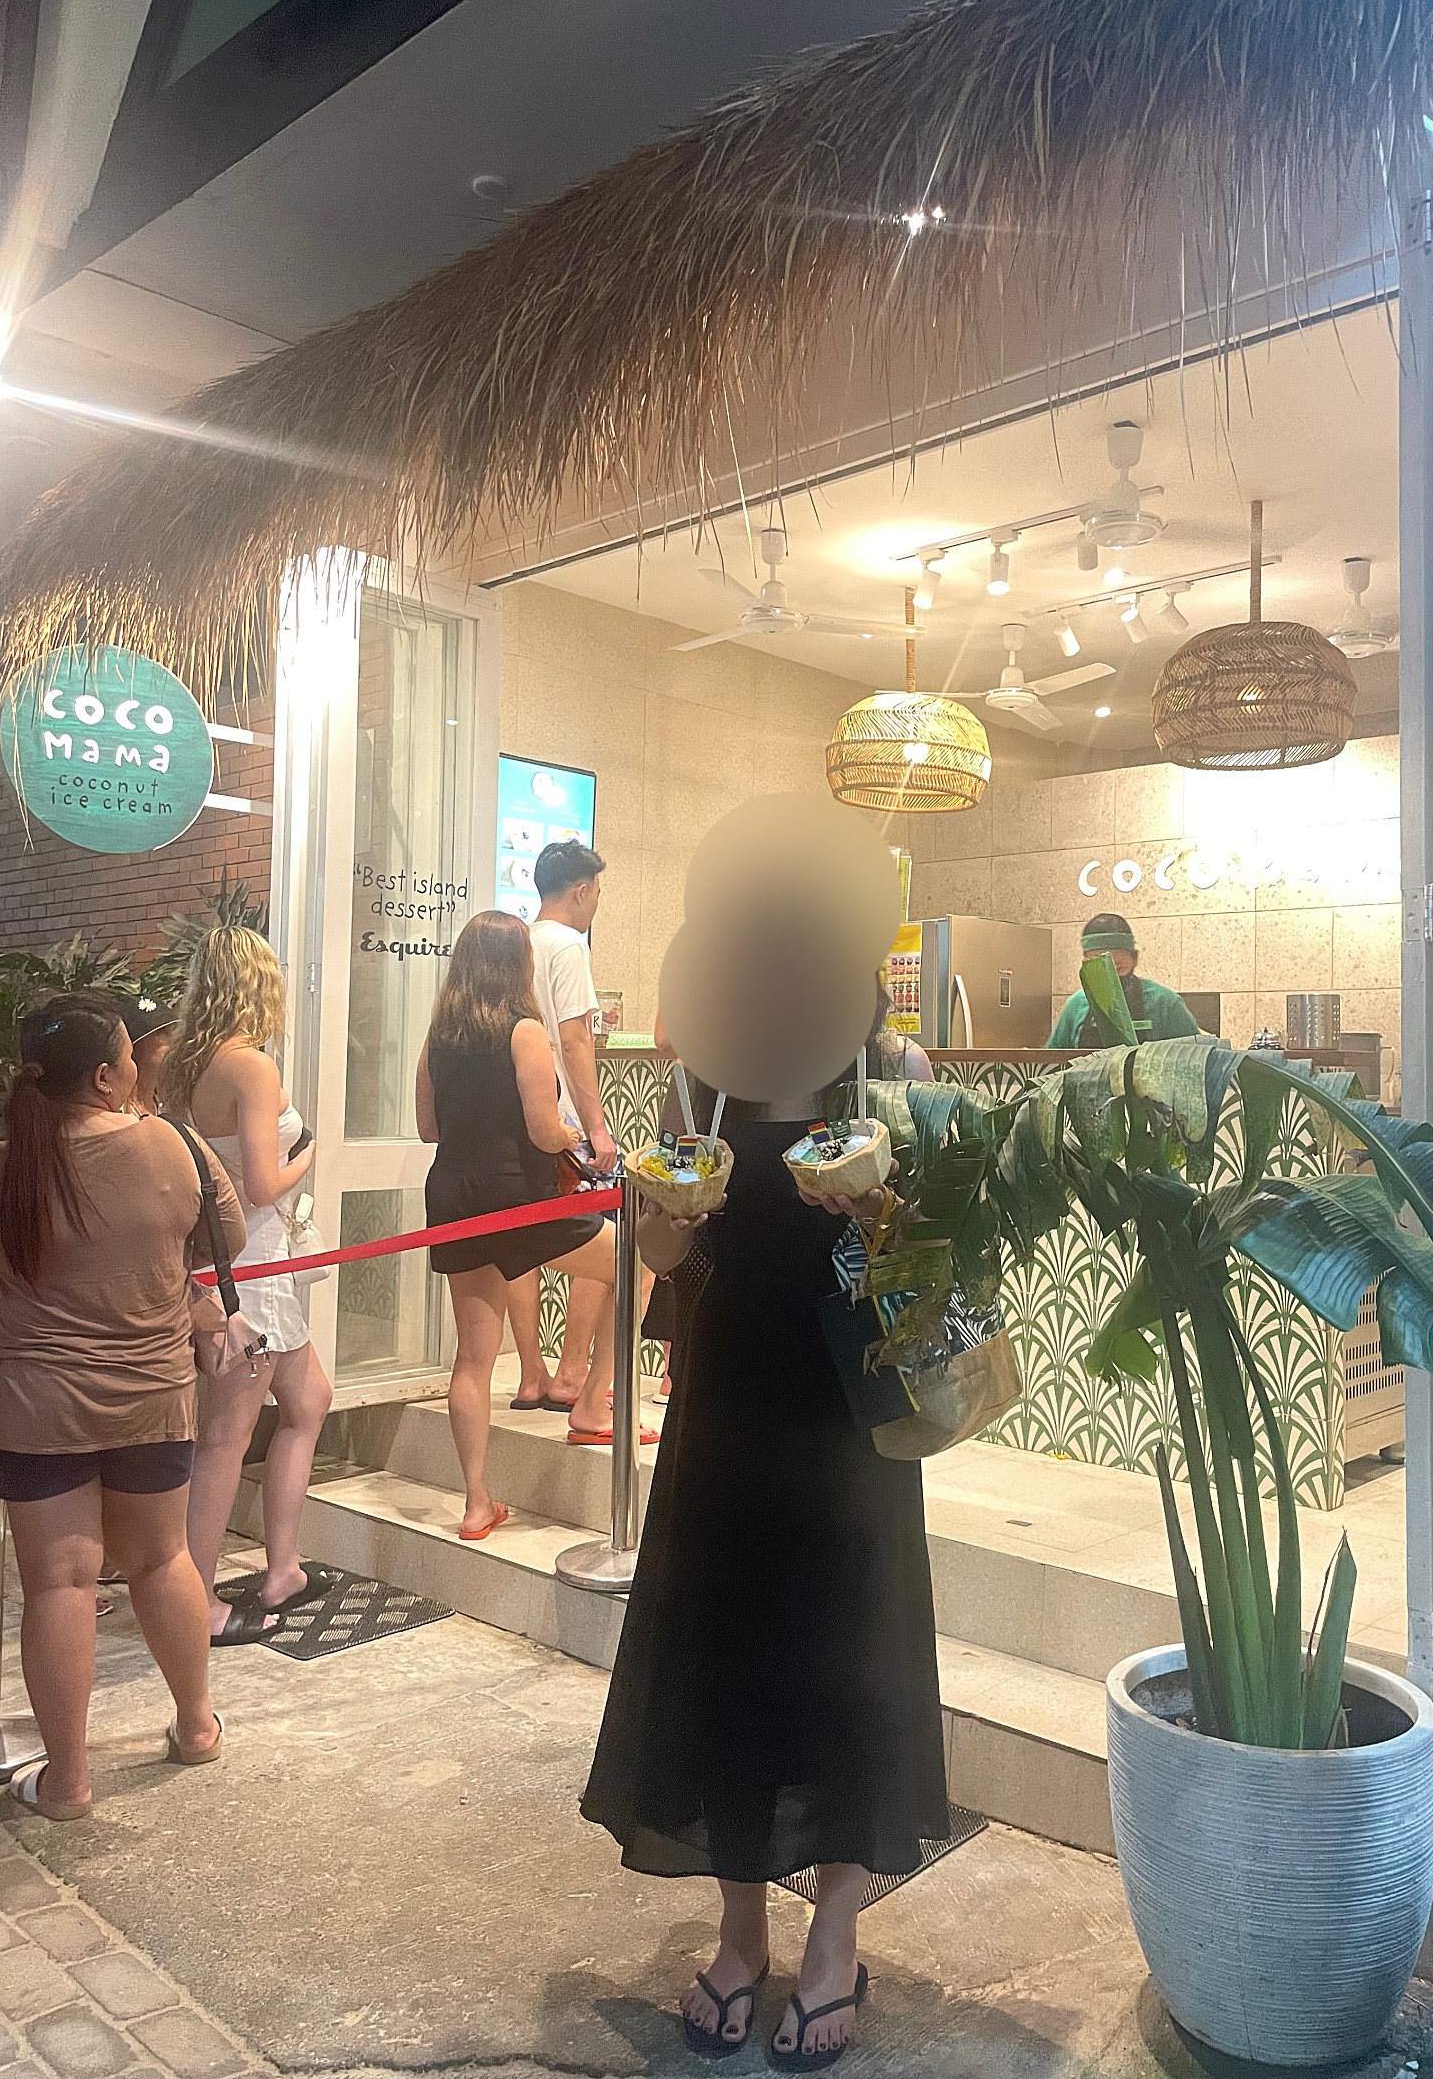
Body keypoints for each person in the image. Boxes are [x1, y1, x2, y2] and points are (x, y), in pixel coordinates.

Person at [580, 1020, 948, 2071]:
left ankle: (835, 1938)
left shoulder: (894, 1073)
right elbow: (663, 1259)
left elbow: (936, 1257)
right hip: (726, 1418)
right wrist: (669, 1223)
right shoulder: (700, 1085)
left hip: (853, 1425)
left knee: (849, 1668)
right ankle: (741, 1932)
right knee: (727, 1664)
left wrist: (875, 1206)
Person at [0, 997, 240, 1816]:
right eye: (129, 1054)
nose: (137, 1065)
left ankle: (67, 1780)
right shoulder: (170, 1145)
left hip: (34, 1405)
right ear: (104, 1077)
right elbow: (226, 1237)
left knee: (59, 1583)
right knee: (163, 1559)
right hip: (149, 1395)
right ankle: (196, 1725)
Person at [416, 911, 630, 1534]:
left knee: (472, 1360)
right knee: (636, 1262)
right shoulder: (525, 1030)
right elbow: (542, 1131)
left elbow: (428, 1129)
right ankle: (591, 1401)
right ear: (520, 966)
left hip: (454, 1195)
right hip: (519, 1197)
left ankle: (476, 1501)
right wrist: (575, 1138)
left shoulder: (439, 1038)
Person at [158, 927, 334, 1645]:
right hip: (250, 1273)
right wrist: (310, 1153)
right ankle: (196, 1600)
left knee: (309, 1399)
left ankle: (281, 1568)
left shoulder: (183, 1064)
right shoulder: (251, 1068)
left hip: (227, 1264)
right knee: (225, 1438)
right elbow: (261, 1184)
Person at [506, 841, 615, 1425]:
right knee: (604, 1235)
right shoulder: (570, 944)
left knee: (521, 1245)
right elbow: (574, 1041)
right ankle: (573, 1374)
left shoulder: (517, 940)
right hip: (563, 1121)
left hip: (518, 1120)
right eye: (596, 893)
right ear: (581, 890)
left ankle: (532, 1373)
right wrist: (597, 1128)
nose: (595, 903)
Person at [1048, 913, 1199, 1046]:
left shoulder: (1164, 1003)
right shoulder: (1077, 1004)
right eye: (1100, 969)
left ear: (1135, 959)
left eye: (1119, 968)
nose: (1111, 979)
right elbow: (1051, 1059)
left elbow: (1195, 1056)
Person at [110, 993, 174, 1115]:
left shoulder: (169, 1101)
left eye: (172, 1030)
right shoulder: (117, 1112)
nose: (172, 1041)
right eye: (161, 1033)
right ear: (131, 1049)